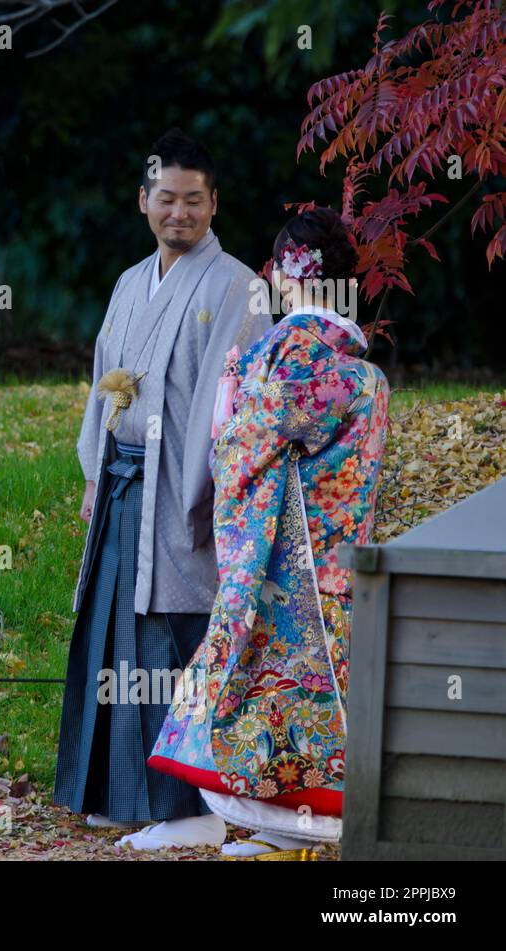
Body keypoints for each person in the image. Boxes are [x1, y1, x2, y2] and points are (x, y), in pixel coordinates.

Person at [147, 206, 390, 858]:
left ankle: (277, 825)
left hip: (279, 569)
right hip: (339, 573)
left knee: (263, 688)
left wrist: (228, 410)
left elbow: (235, 456)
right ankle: (310, 827)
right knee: (327, 691)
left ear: (285, 277)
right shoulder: (367, 378)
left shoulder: (271, 360)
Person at [53, 129, 269, 850]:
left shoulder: (238, 285)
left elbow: (228, 402)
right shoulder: (127, 282)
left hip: (181, 492)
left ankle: (193, 806)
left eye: (194, 200)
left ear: (214, 205)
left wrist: (203, 498)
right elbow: (101, 385)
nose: (179, 212)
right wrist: (95, 471)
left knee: (177, 636)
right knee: (115, 638)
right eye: (166, 198)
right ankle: (119, 794)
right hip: (121, 488)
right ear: (145, 201)